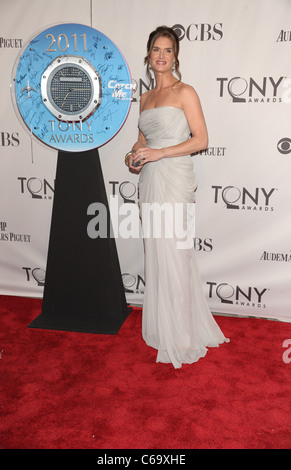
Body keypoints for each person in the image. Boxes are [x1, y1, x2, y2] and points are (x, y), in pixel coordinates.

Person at [125, 26, 229, 369]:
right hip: (151, 181)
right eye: (156, 49)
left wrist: (160, 153)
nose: (161, 55)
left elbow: (201, 140)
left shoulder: (186, 92)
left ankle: (182, 335)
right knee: (156, 252)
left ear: (175, 57)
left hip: (174, 178)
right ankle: (162, 326)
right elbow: (142, 143)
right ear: (148, 55)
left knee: (176, 254)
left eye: (168, 50)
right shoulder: (144, 99)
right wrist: (133, 156)